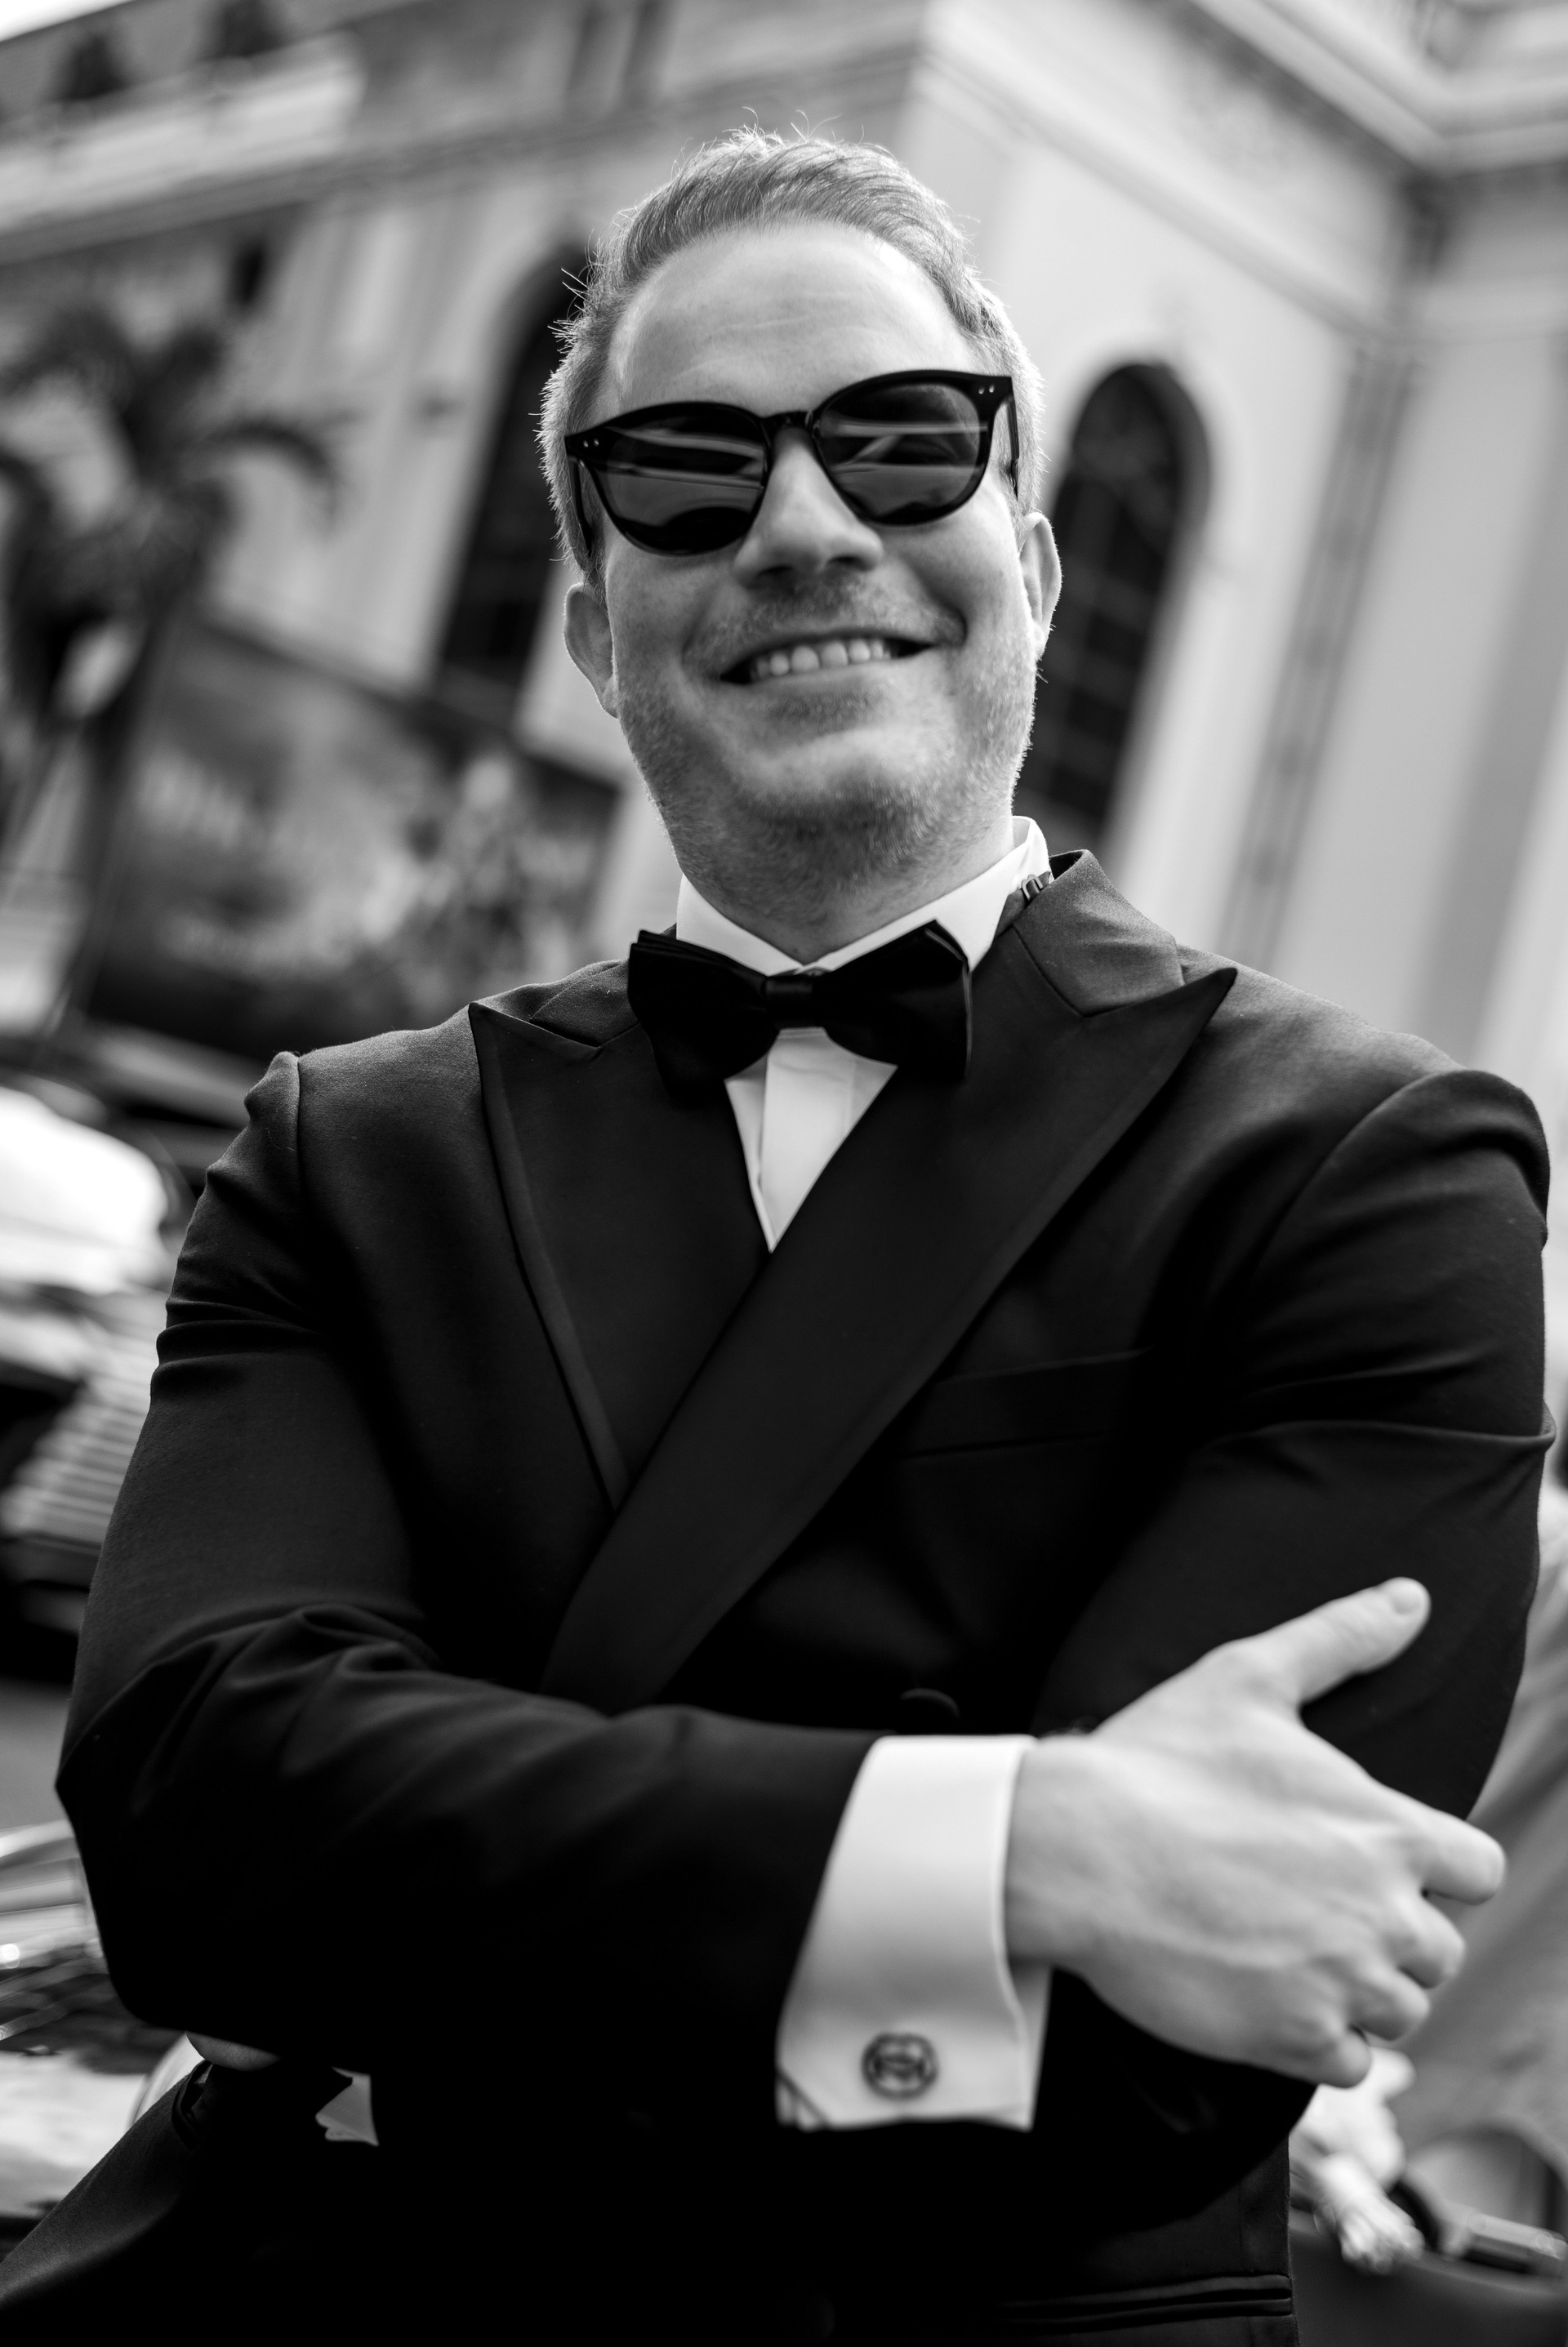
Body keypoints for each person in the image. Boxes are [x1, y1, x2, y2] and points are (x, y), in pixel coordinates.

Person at [17, 132, 1548, 2345]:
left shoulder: (1370, 1169)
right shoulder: (350, 1150)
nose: (809, 524)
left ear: (1031, 555)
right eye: (685, 471)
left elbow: (1154, 2072)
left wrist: (386, 1939)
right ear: (592, 626)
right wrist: (1021, 1849)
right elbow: (187, 1838)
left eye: (904, 440)